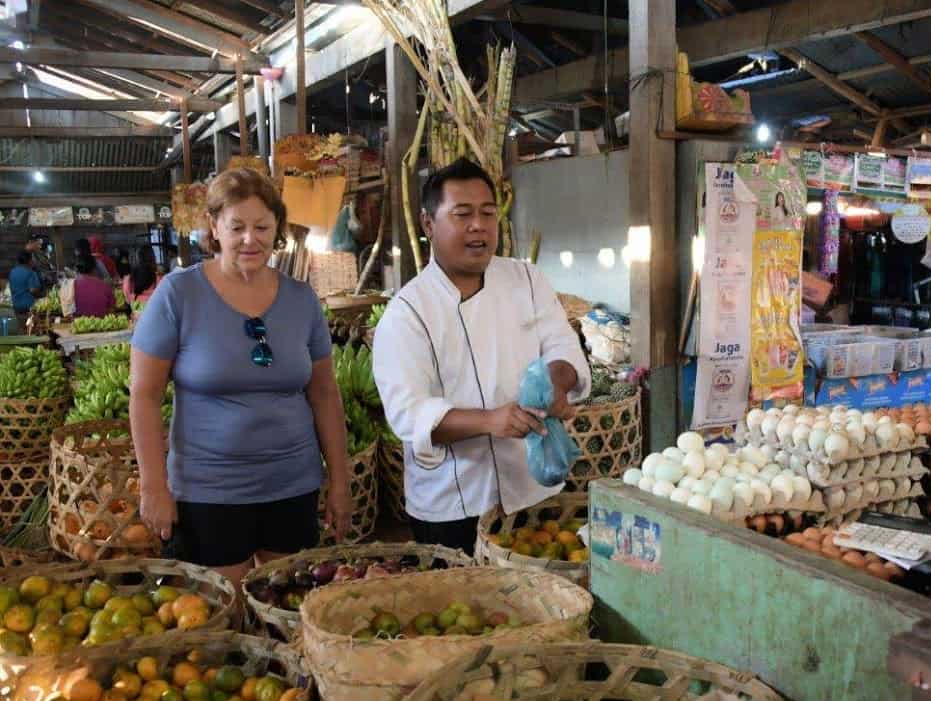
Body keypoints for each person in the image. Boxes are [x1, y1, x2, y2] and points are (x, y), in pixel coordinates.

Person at [129, 167, 352, 589]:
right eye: (237, 227)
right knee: (220, 611)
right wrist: (153, 485)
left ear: (277, 229)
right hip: (208, 490)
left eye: (262, 227)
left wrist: (339, 482)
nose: (251, 239)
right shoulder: (178, 295)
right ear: (214, 228)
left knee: (286, 604)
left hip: (293, 483)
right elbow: (144, 395)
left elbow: (324, 394)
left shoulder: (302, 299)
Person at [373, 158, 590, 552]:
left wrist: (557, 384)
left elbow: (563, 348)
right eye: (463, 214)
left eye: (488, 213)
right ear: (427, 224)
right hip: (454, 502)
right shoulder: (408, 312)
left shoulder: (526, 280)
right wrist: (491, 420)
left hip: (533, 486)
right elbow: (409, 414)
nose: (478, 226)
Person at [7, 250, 42, 325]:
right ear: (29, 261)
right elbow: (32, 290)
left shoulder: (13, 272)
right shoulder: (31, 273)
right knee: (32, 329)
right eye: (32, 259)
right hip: (29, 307)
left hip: (16, 306)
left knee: (22, 328)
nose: (34, 261)